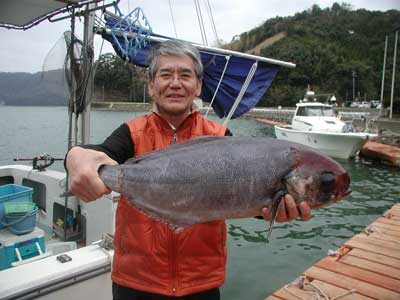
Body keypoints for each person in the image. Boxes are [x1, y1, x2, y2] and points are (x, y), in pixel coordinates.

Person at [65, 39, 311, 300]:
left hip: (200, 284)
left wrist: (274, 209)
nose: (175, 83)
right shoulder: (131, 133)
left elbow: (243, 193)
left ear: (198, 86)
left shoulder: (221, 136)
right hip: (135, 283)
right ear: (151, 86)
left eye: (185, 75)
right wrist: (74, 156)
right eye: (165, 75)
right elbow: (98, 154)